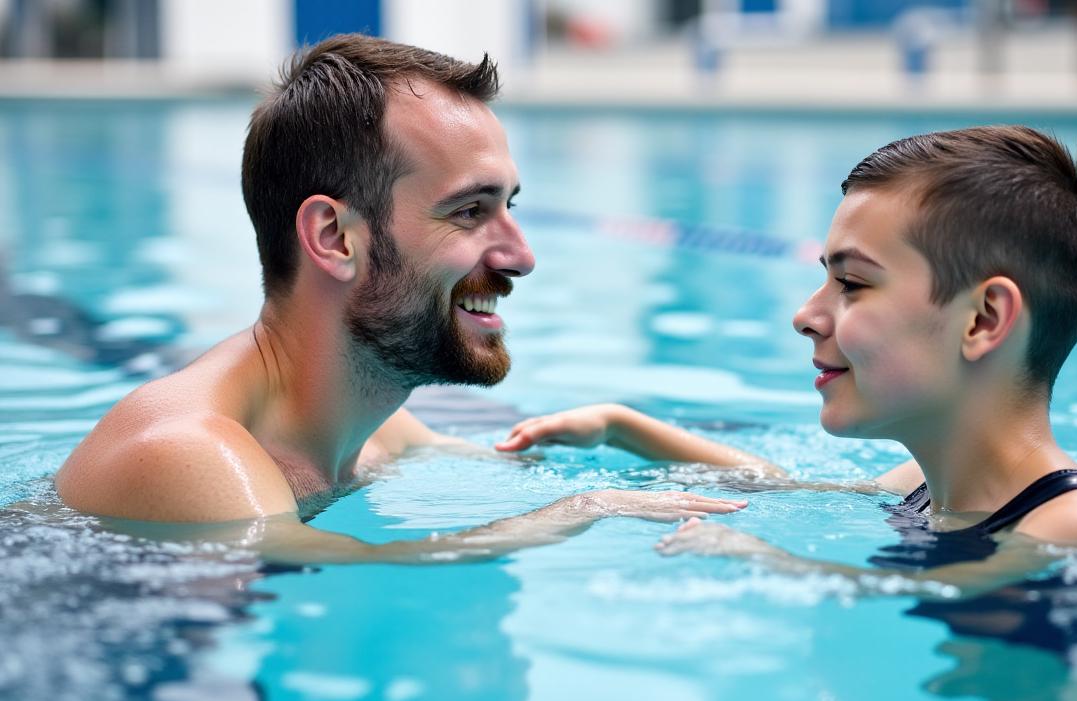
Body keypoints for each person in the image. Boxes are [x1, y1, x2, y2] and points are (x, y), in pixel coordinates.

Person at [54, 34, 744, 564]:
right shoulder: (187, 453)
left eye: (509, 207)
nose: (522, 256)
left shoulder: (379, 430)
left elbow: (762, 491)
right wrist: (581, 508)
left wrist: (625, 426)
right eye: (471, 212)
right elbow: (361, 566)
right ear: (335, 237)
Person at [497, 125, 1077, 594]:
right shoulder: (931, 480)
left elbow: (954, 591)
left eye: (851, 283)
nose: (805, 315)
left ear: (983, 319)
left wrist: (772, 563)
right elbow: (780, 486)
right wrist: (624, 427)